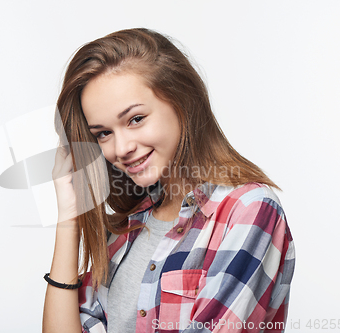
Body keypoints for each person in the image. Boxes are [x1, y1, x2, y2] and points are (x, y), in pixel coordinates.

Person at [42, 28, 295, 333]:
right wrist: (69, 216)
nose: (121, 149)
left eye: (135, 119)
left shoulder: (249, 211)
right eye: (103, 133)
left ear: (181, 101)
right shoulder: (128, 228)